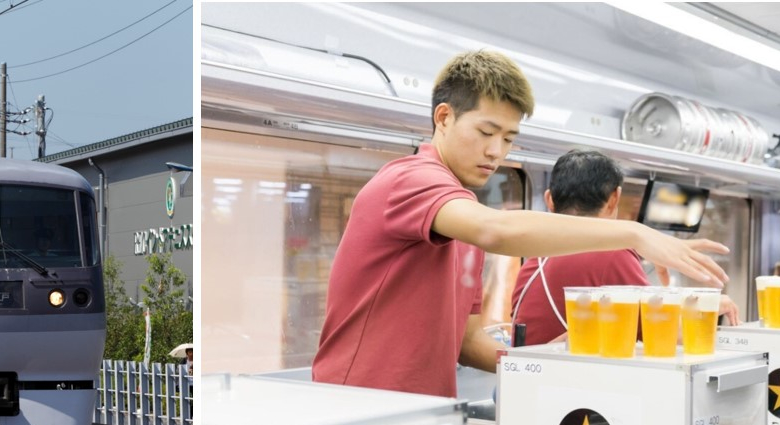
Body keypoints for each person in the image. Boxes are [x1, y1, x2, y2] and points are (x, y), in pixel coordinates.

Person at [309, 49, 728, 397]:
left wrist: (542, 361)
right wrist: (635, 232)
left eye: (508, 139)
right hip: (357, 406)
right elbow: (499, 231)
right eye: (486, 131)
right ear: (443, 118)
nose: (496, 151)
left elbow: (467, 342)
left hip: (422, 413)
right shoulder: (410, 180)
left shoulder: (460, 213)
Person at [510, 149, 741, 345]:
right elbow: (664, 331)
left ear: (549, 200)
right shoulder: (612, 252)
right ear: (614, 198)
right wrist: (708, 306)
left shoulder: (533, 260)